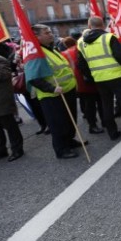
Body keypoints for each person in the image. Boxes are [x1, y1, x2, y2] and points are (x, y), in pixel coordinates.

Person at [77, 17, 121, 141]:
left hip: (99, 78)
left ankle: (112, 133)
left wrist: (91, 76)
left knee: (107, 105)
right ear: (103, 25)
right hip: (117, 75)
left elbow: (82, 64)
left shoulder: (81, 42)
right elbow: (120, 55)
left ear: (89, 26)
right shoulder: (108, 37)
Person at [30, 25, 81, 159]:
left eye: (50, 32)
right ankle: (61, 149)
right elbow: (34, 78)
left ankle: (70, 141)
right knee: (58, 124)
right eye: (46, 33)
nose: (51, 34)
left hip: (67, 90)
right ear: (37, 37)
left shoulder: (51, 48)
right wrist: (51, 88)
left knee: (70, 120)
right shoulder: (37, 53)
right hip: (53, 95)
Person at [61, 36, 104, 134]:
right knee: (99, 101)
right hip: (91, 78)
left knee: (89, 104)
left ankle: (92, 125)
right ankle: (102, 122)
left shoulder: (64, 54)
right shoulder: (81, 48)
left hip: (78, 82)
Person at [0, 45, 24, 162]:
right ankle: (0, 150)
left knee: (10, 126)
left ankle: (17, 149)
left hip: (0, 100)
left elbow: (3, 75)